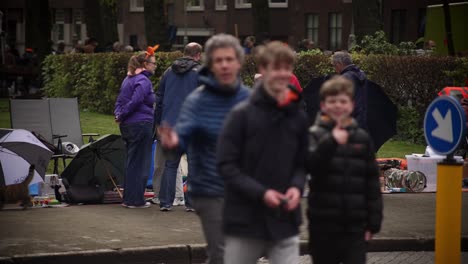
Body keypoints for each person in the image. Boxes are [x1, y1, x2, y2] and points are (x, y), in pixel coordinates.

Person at [158, 34, 250, 264]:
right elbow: (183, 136)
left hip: (241, 189)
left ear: (239, 63)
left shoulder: (250, 100)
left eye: (229, 59)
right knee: (222, 253)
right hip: (209, 189)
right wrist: (173, 142)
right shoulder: (197, 100)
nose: (225, 65)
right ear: (209, 63)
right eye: (218, 60)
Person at [218, 41, 308, 264]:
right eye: (277, 68)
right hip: (245, 220)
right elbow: (226, 166)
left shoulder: (297, 116)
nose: (283, 74)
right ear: (263, 69)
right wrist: (262, 193)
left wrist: (297, 187)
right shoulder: (241, 115)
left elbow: (303, 161)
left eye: (287, 68)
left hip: (285, 220)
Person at [306, 76, 382, 264]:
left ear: (351, 105)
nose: (338, 106)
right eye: (332, 101)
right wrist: (331, 142)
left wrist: (373, 223)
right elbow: (310, 167)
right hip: (323, 226)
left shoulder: (362, 138)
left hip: (355, 228)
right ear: (323, 105)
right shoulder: (314, 135)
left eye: (343, 101)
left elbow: (372, 183)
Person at [153, 42, 203, 212]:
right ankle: (191, 203)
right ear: (198, 55)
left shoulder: (168, 71)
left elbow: (159, 99)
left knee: (170, 164)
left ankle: (165, 202)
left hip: (170, 125)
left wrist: (159, 122)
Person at [114, 47, 158, 209]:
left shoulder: (128, 79)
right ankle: (136, 200)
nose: (155, 66)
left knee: (131, 162)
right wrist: (124, 114)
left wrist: (119, 114)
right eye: (153, 63)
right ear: (145, 64)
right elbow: (136, 101)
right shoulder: (143, 81)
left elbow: (120, 100)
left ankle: (128, 198)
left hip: (128, 126)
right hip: (141, 125)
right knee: (141, 163)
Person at [331, 51, 368, 130]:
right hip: (361, 117)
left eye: (334, 65)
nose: (334, 69)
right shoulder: (360, 74)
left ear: (339, 63)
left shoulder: (345, 78)